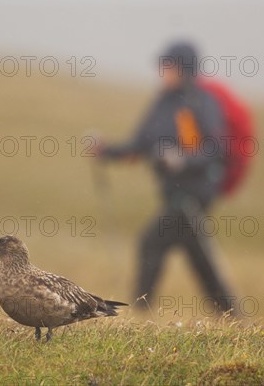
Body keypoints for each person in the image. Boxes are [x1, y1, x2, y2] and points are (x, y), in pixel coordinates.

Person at [95, 42, 236, 314]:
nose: (163, 72)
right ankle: (230, 316)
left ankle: (140, 310)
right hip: (173, 194)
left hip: (193, 195)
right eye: (163, 66)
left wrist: (181, 159)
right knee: (200, 258)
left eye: (168, 66)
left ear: (185, 69)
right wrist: (106, 150)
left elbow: (216, 149)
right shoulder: (162, 103)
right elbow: (140, 144)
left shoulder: (202, 102)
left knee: (151, 242)